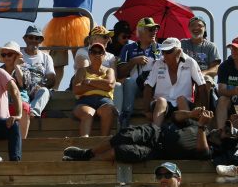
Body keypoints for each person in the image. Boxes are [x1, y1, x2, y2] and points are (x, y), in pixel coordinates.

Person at [62, 108, 214, 163]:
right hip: (156, 132)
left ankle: (89, 162)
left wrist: (201, 126)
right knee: (125, 135)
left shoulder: (212, 148)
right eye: (223, 128)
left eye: (225, 132)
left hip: (159, 153)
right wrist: (191, 114)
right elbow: (175, 117)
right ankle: (87, 153)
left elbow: (202, 152)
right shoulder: (198, 126)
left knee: (123, 151)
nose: (221, 130)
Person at [145, 38, 207, 127]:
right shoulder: (158, 63)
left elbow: (202, 86)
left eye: (168, 51)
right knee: (161, 101)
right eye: (163, 51)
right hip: (162, 104)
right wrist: (147, 111)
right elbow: (148, 86)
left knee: (181, 99)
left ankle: (189, 131)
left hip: (184, 103)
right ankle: (155, 133)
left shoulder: (190, 62)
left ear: (178, 52)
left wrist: (205, 110)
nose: (165, 55)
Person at [118, 17, 163, 129]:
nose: (154, 32)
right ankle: (125, 119)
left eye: (155, 30)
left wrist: (156, 57)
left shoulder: (161, 48)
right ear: (141, 32)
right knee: (128, 81)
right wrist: (133, 61)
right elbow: (120, 73)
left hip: (155, 86)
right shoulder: (128, 48)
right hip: (137, 86)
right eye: (150, 29)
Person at [73, 43, 116, 137]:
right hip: (85, 101)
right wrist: (100, 85)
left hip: (104, 100)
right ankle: (84, 143)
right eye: (93, 52)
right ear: (89, 55)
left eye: (100, 52)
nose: (97, 54)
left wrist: (88, 81)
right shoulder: (82, 70)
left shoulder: (109, 70)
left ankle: (103, 141)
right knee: (88, 113)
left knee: (107, 110)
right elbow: (76, 89)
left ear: (104, 55)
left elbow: (109, 85)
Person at [0, 42, 33, 139]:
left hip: (18, 104)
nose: (6, 57)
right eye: (4, 54)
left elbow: (23, 84)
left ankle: (22, 141)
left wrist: (17, 66)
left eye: (9, 54)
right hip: (2, 103)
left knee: (24, 106)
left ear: (16, 56)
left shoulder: (25, 69)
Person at [181, 16, 221, 110]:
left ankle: (205, 112)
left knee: (206, 79)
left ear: (205, 28)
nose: (196, 28)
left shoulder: (211, 46)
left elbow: (216, 68)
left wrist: (201, 74)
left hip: (204, 77)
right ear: (189, 28)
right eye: (193, 25)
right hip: (186, 75)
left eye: (199, 25)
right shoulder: (182, 43)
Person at [19, 25, 55, 117]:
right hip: (21, 90)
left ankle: (32, 112)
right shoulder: (18, 55)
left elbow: (52, 79)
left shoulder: (46, 57)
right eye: (31, 37)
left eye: (37, 38)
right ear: (25, 39)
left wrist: (41, 86)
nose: (34, 40)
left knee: (45, 91)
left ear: (41, 40)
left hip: (38, 91)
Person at [215, 36, 238, 129]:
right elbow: (221, 91)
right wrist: (235, 91)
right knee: (222, 100)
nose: (233, 50)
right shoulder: (224, 66)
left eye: (237, 48)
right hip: (230, 103)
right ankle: (221, 133)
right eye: (232, 48)